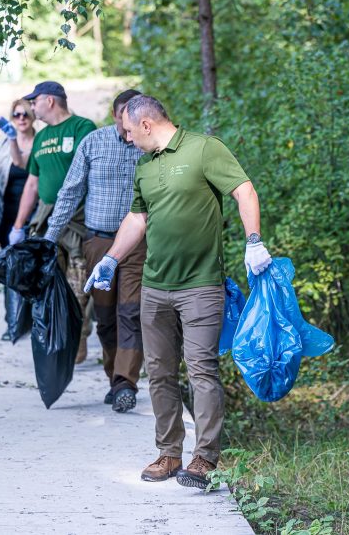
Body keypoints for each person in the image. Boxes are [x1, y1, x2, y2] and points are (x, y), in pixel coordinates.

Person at [84, 95, 273, 488]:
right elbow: (137, 218)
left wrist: (253, 240)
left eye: (130, 131)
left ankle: (204, 459)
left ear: (147, 125)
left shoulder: (204, 149)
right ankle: (169, 454)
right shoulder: (144, 166)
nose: (128, 138)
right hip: (155, 286)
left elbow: (244, 191)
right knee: (159, 372)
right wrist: (112, 260)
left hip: (201, 284)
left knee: (202, 369)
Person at [44, 89, 146, 413]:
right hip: (98, 243)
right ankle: (115, 377)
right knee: (105, 319)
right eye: (123, 117)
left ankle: (125, 384)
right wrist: (49, 238)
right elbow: (70, 192)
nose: (128, 126)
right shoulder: (93, 143)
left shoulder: (148, 147)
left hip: (137, 244)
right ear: (115, 115)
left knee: (130, 312)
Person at [8, 81, 97, 362]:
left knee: (79, 287)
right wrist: (18, 225)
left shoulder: (83, 128)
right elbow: (32, 184)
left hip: (79, 221)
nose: (31, 108)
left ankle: (79, 337)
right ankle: (59, 341)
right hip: (46, 223)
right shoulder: (42, 138)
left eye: (34, 102)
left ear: (49, 101)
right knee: (48, 286)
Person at [0, 99, 36, 248]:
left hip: (32, 212)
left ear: (33, 116)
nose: (21, 118)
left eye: (25, 114)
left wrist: (13, 139)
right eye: (16, 115)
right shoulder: (3, 144)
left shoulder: (42, 142)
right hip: (6, 211)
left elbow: (21, 163)